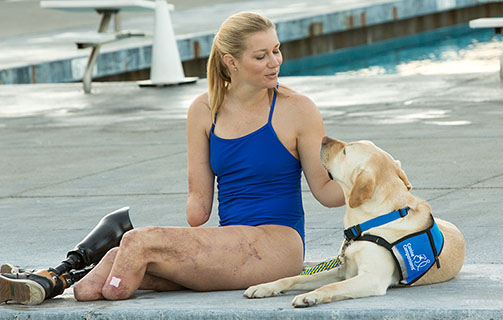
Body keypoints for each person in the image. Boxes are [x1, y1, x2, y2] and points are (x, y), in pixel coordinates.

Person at [0, 11, 344, 305]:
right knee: (96, 283)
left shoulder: (297, 109)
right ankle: (49, 280)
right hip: (230, 249)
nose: (275, 62)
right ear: (231, 62)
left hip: (277, 248)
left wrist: (377, 183)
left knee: (136, 242)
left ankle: (57, 273)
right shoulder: (203, 110)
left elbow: (326, 193)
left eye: (276, 50)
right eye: (262, 55)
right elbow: (198, 213)